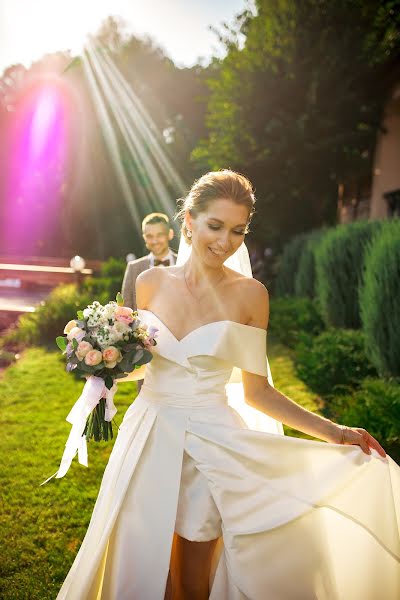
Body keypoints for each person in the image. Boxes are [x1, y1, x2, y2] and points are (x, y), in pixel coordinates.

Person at [57, 171, 399, 600]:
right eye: (215, 226)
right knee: (137, 560)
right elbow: (149, 364)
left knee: (192, 581)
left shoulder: (252, 297)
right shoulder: (149, 284)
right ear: (189, 223)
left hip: (212, 446)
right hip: (147, 435)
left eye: (238, 231)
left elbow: (259, 392)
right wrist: (104, 363)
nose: (225, 241)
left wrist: (337, 432)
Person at [121, 212, 177, 311]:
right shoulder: (133, 268)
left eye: (159, 235)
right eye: (150, 236)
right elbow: (125, 309)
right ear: (144, 238)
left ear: (170, 234)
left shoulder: (183, 262)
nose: (155, 241)